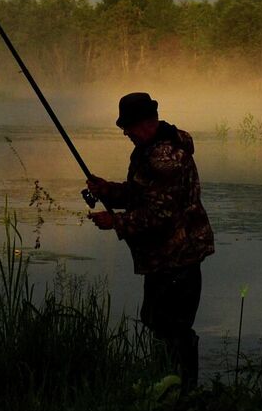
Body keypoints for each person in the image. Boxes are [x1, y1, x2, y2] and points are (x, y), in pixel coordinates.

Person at [86, 91, 214, 389]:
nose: (126, 134)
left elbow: (160, 214)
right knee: (157, 319)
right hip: (165, 256)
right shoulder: (151, 149)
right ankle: (172, 384)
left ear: (143, 123)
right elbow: (143, 194)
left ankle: (182, 389)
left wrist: (115, 221)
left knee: (172, 325)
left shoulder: (164, 158)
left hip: (178, 255)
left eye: (127, 128)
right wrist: (108, 191)